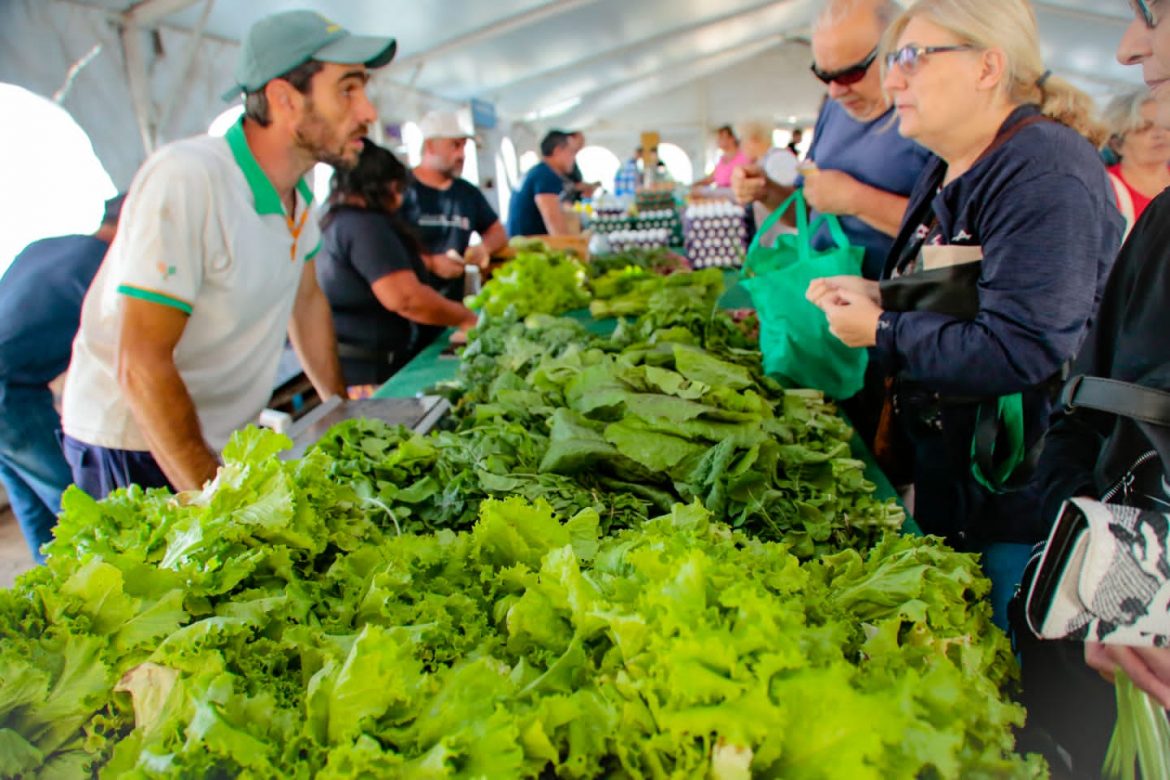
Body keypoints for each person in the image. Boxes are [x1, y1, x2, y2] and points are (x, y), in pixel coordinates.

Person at [808, 0, 1123, 630]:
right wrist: (882, 293)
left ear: (988, 67)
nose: (892, 79)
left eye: (910, 59)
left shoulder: (1045, 172)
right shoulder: (954, 164)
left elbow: (1020, 345)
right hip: (954, 471)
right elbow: (967, 292)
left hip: (1018, 493)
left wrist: (881, 329)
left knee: (1002, 652)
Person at [60, 10, 396, 499]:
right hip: (140, 443)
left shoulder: (297, 196)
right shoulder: (190, 177)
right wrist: (213, 501)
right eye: (348, 89)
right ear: (284, 99)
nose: (367, 111)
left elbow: (306, 303)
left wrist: (340, 411)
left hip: (219, 436)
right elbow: (141, 364)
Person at [1015, 2, 1170, 772]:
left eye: (1157, 13)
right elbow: (1083, 420)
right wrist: (1118, 585)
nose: (1129, 45)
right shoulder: (1161, 227)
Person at [733, 0, 932, 281]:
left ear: (898, 48)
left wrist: (857, 200)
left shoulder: (932, 115)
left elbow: (955, 233)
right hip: (828, 304)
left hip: (896, 310)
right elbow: (810, 212)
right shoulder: (834, 109)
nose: (836, 91)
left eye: (851, 73)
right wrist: (767, 191)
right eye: (824, 76)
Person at [0, 194, 123, 561]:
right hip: (9, 391)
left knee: (32, 505)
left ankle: (52, 589)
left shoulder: (48, 246)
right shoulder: (102, 266)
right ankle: (100, 590)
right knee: (75, 503)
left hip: (19, 385)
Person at [318, 140, 476, 389]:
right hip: (371, 373)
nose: (401, 198)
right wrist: (465, 316)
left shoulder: (334, 220)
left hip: (358, 364)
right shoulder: (365, 226)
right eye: (398, 187)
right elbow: (406, 298)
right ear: (383, 185)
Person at [402, 109, 505, 308]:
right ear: (430, 146)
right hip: (412, 307)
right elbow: (384, 250)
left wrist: (484, 248)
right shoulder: (401, 190)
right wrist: (430, 262)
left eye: (464, 146)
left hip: (455, 305)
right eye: (455, 145)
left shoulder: (467, 192)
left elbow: (497, 231)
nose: (462, 154)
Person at [1102, 87, 1170, 237]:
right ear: (1116, 144)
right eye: (1143, 128)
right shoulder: (1104, 188)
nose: (1159, 134)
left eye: (1165, 125)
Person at [506, 130, 577, 237]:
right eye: (571, 152)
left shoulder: (537, 171)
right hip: (527, 248)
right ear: (558, 151)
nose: (573, 158)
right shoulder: (546, 176)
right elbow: (555, 227)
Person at [561, 131, 599, 203]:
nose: (583, 144)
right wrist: (579, 186)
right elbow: (561, 185)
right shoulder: (562, 163)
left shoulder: (572, 161)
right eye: (581, 140)